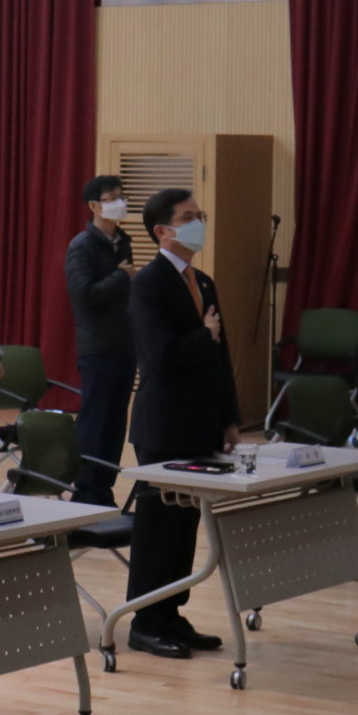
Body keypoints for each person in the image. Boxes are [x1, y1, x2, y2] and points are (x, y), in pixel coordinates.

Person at [121, 188, 235, 661]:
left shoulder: (203, 281)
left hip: (201, 422)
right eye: (189, 217)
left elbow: (222, 355)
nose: (199, 222)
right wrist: (203, 335)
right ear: (163, 231)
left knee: (185, 525)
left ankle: (171, 613)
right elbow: (161, 356)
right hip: (163, 424)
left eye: (200, 214)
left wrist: (230, 417)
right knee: (157, 529)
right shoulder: (148, 284)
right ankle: (145, 621)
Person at [65, 176, 138, 506]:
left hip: (125, 342)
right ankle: (86, 491)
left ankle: (103, 490)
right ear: (94, 206)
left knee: (115, 422)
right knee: (96, 420)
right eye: (112, 198)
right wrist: (121, 276)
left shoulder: (123, 241)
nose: (120, 203)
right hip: (98, 346)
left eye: (122, 196)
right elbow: (83, 295)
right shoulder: (82, 246)